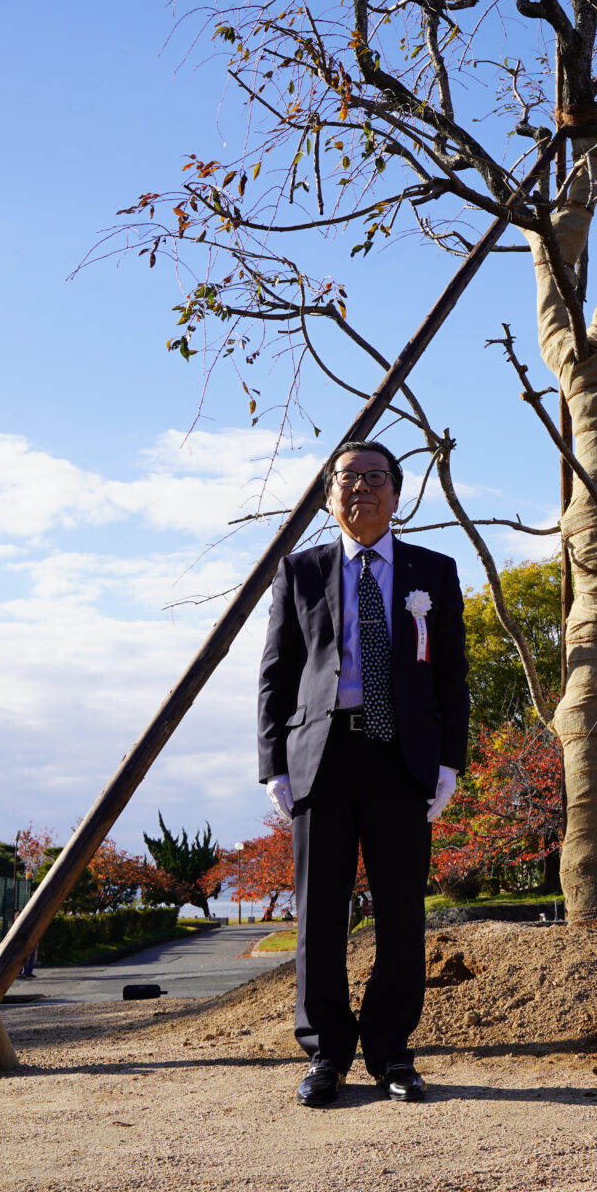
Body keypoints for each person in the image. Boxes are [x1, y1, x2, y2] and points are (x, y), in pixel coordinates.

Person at [258, 439, 469, 1107]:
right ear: (329, 498)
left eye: (376, 478)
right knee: (319, 913)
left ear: (397, 495)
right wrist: (273, 763)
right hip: (321, 757)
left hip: (401, 757)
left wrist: (450, 762)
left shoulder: (433, 571)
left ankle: (391, 1051)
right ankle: (326, 1052)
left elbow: (452, 674)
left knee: (402, 912)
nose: (361, 489)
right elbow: (276, 673)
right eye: (347, 479)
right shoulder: (300, 570)